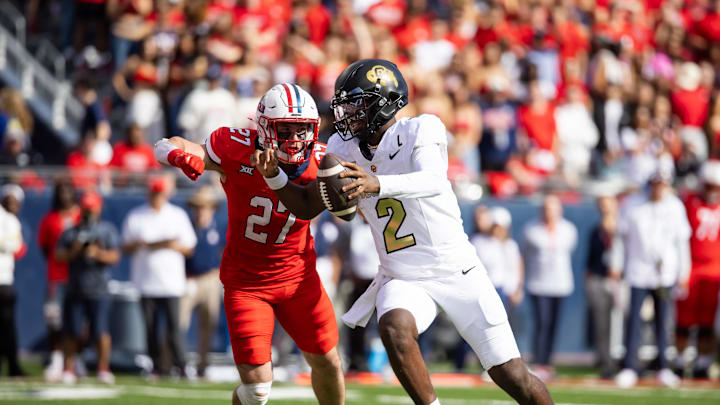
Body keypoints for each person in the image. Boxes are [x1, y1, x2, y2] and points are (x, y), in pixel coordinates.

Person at [253, 59, 553, 405]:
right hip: (403, 276)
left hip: (458, 270)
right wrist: (274, 177)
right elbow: (307, 206)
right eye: (345, 104)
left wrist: (375, 183)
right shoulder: (341, 149)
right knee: (394, 326)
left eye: (356, 103)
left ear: (384, 102)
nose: (347, 112)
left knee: (512, 375)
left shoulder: (421, 129)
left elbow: (433, 180)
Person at [153, 83, 345, 405]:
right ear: (265, 127)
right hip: (248, 283)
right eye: (286, 128)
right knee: (256, 390)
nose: (296, 139)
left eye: (303, 130)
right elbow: (166, 144)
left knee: (328, 361)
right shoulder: (233, 145)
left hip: (300, 278)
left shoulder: (322, 162)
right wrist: (176, 155)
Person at [611, 167, 691, 389]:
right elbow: (620, 239)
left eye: (662, 184)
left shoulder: (675, 207)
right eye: (655, 184)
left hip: (664, 274)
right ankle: (629, 367)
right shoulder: (633, 205)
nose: (658, 188)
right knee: (633, 320)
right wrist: (617, 264)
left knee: (663, 320)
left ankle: (664, 367)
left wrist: (684, 272)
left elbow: (681, 243)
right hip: (638, 271)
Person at [122, 176, 196, 378]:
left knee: (174, 328)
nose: (156, 197)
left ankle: (181, 365)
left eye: (159, 193)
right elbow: (126, 246)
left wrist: (171, 245)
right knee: (150, 327)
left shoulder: (177, 215)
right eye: (153, 193)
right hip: (145, 282)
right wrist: (140, 244)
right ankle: (156, 365)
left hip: (171, 282)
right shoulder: (136, 216)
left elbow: (189, 246)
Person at [55, 191, 121, 385]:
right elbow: (58, 255)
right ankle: (68, 368)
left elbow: (115, 256)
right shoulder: (71, 231)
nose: (88, 213)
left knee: (101, 331)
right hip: (75, 287)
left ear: (98, 208)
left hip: (98, 288)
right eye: (85, 209)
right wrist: (74, 251)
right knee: (71, 331)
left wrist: (97, 253)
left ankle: (103, 368)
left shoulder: (106, 231)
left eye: (91, 209)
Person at [522, 195, 578, 382]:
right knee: (542, 323)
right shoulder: (531, 229)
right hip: (538, 284)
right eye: (546, 208)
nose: (549, 212)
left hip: (561, 284)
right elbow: (526, 255)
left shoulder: (568, 230)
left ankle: (548, 362)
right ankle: (538, 361)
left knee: (553, 325)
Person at [675, 160, 720, 378]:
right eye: (710, 186)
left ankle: (703, 362)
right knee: (684, 319)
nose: (713, 191)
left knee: (707, 321)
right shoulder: (690, 202)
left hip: (715, 269)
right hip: (691, 266)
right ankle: (680, 360)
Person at [38, 178, 81, 382]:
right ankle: (56, 359)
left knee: (79, 321)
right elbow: (45, 248)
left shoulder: (82, 216)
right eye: (60, 191)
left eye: (67, 190)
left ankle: (76, 358)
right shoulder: (50, 219)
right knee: (54, 320)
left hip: (80, 278)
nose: (64, 195)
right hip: (57, 276)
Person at [180, 186, 224, 378]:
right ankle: (177, 363)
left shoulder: (219, 227)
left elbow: (224, 250)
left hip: (211, 279)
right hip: (188, 278)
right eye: (198, 207)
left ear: (212, 208)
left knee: (209, 324)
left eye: (205, 207)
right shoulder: (186, 225)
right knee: (180, 323)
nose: (201, 211)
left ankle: (202, 365)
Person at [585, 194, 619, 379]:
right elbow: (590, 261)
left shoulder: (623, 228)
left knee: (621, 323)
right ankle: (606, 362)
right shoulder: (596, 231)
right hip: (599, 279)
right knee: (601, 325)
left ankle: (624, 361)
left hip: (620, 281)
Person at [0, 184, 25, 377]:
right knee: (7, 326)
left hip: (5, 278)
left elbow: (16, 246)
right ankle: (12, 367)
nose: (12, 203)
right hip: (3, 280)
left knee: (7, 325)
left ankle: (12, 366)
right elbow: (14, 244)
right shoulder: (7, 220)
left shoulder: (11, 220)